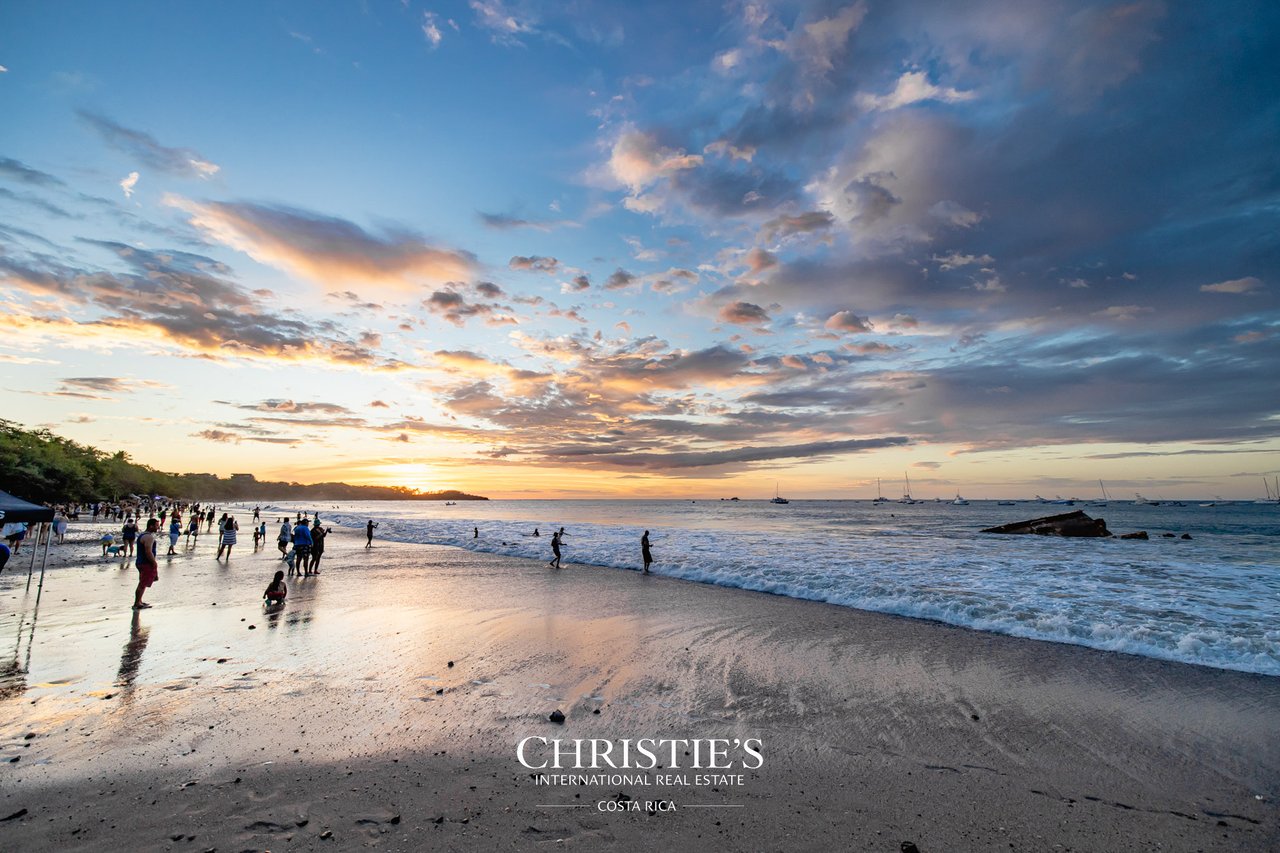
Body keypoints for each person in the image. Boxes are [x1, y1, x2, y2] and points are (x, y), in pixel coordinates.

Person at [133, 518, 159, 609]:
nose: (158, 527)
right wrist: (154, 563)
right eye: (156, 525)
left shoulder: (143, 535)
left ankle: (139, 601)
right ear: (151, 526)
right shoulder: (148, 537)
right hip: (145, 563)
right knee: (142, 583)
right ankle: (137, 603)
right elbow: (148, 552)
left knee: (143, 582)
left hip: (141, 562)